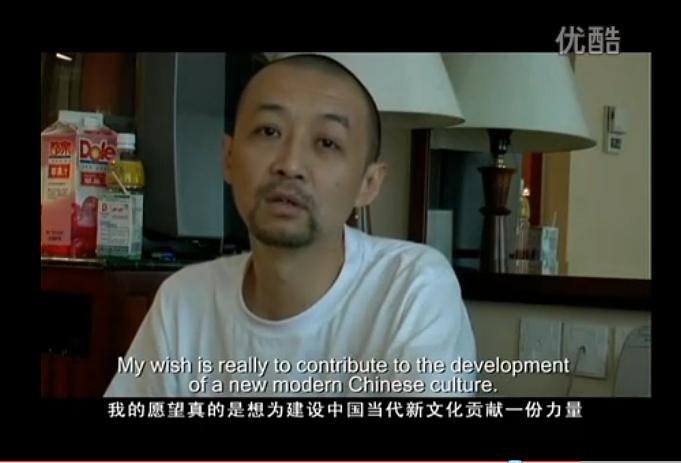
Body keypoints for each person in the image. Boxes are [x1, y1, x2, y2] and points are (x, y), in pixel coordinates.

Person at [105, 53, 476, 397]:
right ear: (229, 157)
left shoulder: (412, 286)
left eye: (327, 142)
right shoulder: (184, 299)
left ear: (369, 183)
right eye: (269, 131)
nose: (290, 164)